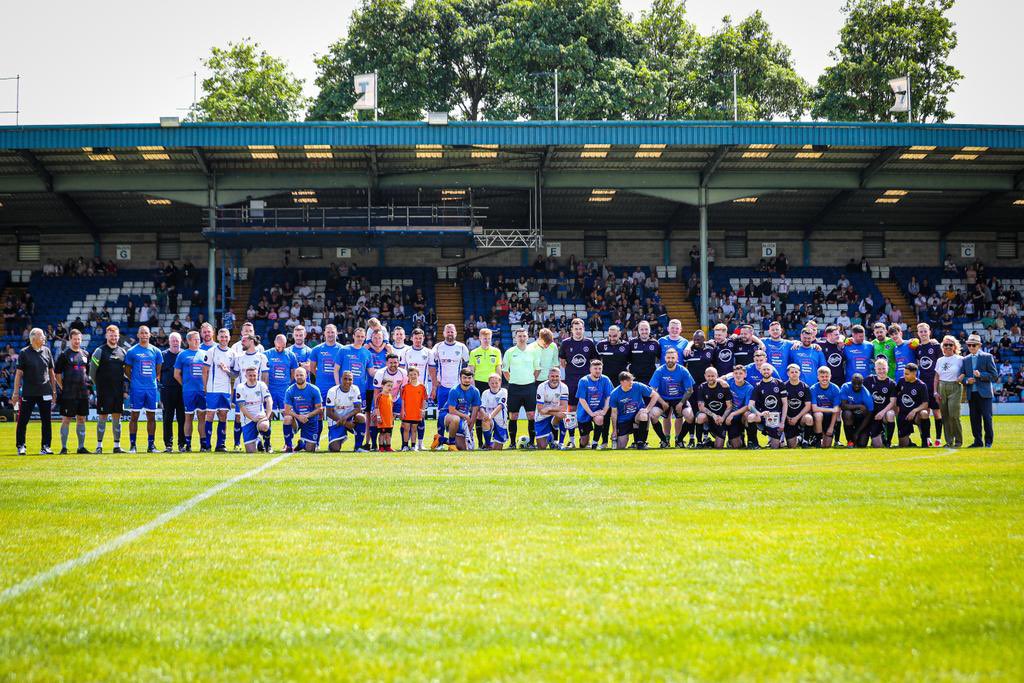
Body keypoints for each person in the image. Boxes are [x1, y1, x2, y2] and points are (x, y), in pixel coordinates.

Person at [14, 328, 57, 456]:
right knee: (23, 420)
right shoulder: (24, 353)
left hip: (45, 391)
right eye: (42, 336)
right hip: (29, 392)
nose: (44, 338)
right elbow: (18, 374)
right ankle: (21, 446)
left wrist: (54, 390)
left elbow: (51, 372)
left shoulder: (47, 351)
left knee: (46, 421)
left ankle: (46, 446)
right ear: (34, 338)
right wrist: (16, 392)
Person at [558, 318, 598, 448]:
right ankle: (572, 440)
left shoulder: (589, 343)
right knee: (572, 410)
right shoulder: (565, 344)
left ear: (583, 329)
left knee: (587, 409)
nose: (578, 331)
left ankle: (586, 438)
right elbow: (562, 363)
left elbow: (594, 362)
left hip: (587, 382)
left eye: (580, 328)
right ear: (572, 330)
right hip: (572, 382)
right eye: (576, 329)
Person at [430, 324, 470, 449]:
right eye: (448, 332)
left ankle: (454, 440)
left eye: (452, 332)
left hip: (458, 388)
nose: (450, 334)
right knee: (442, 413)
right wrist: (435, 383)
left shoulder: (462, 347)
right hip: (443, 387)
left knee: (458, 414)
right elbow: (432, 365)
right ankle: (439, 440)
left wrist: (465, 384)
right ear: (444, 333)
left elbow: (466, 367)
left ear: (456, 333)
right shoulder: (438, 347)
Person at [125, 325, 163, 453]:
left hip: (151, 388)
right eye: (142, 333)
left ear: (150, 335)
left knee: (151, 417)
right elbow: (127, 370)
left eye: (146, 333)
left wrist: (152, 379)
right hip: (137, 389)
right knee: (134, 416)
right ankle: (133, 445)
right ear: (138, 335)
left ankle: (151, 446)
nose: (144, 335)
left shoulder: (156, 351)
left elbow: (158, 369)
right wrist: (135, 380)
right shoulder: (132, 351)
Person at [90, 324, 127, 454]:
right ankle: (99, 446)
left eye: (116, 335)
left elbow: (126, 373)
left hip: (118, 392)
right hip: (104, 392)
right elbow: (92, 373)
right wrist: (99, 386)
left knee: (117, 418)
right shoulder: (99, 351)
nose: (114, 337)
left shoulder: (123, 352)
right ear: (106, 335)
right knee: (102, 418)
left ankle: (117, 446)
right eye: (111, 335)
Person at [54, 328, 91, 454]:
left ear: (81, 340)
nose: (77, 341)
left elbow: (89, 372)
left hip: (83, 393)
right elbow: (57, 373)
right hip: (69, 393)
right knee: (66, 419)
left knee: (81, 419)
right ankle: (64, 447)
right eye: (74, 339)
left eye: (79, 339)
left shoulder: (85, 354)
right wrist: (62, 387)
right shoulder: (64, 355)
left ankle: (81, 447)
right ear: (70, 340)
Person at [649, 348, 695, 448]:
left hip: (679, 398)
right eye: (668, 358)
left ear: (677, 359)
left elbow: (690, 390)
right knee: (653, 415)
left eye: (673, 358)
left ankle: (679, 439)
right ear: (665, 358)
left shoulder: (683, 371)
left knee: (690, 416)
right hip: (663, 398)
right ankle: (664, 440)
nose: (670, 360)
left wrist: (682, 403)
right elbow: (653, 390)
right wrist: (662, 402)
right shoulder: (659, 371)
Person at [174, 330, 209, 452]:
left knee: (202, 417)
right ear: (188, 340)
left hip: (202, 391)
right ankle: (188, 444)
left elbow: (208, 372)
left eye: (198, 339)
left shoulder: (205, 353)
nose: (197, 341)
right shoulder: (182, 355)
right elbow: (176, 374)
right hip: (188, 392)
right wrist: (185, 385)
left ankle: (203, 445)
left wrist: (206, 386)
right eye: (195, 339)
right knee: (188, 417)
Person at [265, 334, 299, 452]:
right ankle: (267, 444)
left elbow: (294, 372)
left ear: (286, 345)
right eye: (278, 346)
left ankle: (288, 443)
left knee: (288, 416)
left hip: (284, 391)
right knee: (268, 416)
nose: (280, 349)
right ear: (274, 343)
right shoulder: (267, 354)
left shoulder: (291, 355)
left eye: (283, 347)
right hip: (270, 391)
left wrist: (287, 384)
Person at [609, 370, 660, 450]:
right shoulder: (614, 394)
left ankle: (641, 442)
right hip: (623, 420)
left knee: (644, 415)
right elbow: (614, 413)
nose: (631, 383)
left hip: (637, 416)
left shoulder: (638, 386)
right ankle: (633, 442)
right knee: (620, 447)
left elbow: (655, 395)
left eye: (632, 380)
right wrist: (614, 430)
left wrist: (647, 409)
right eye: (629, 381)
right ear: (622, 382)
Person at [469, 328, 502, 446]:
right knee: (478, 414)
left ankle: (492, 440)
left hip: (492, 385)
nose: (487, 341)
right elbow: (471, 370)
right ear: (480, 338)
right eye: (484, 338)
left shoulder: (496, 351)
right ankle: (480, 442)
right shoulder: (473, 352)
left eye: (488, 339)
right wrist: (473, 388)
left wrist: (499, 384)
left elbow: (498, 368)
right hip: (478, 384)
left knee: (492, 411)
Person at [399, 328, 432, 449]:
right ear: (411, 338)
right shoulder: (406, 352)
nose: (418, 340)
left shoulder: (428, 352)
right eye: (416, 338)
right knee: (406, 420)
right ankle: (405, 445)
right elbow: (402, 371)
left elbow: (432, 371)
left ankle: (419, 443)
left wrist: (433, 388)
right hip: (408, 391)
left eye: (420, 338)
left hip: (422, 390)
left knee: (421, 417)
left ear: (423, 338)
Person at [203, 328, 235, 452]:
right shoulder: (211, 351)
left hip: (225, 390)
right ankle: (207, 445)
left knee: (223, 415)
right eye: (221, 336)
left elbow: (235, 374)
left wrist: (227, 370)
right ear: (217, 338)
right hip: (212, 389)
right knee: (210, 415)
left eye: (226, 336)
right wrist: (205, 387)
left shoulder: (232, 353)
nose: (224, 339)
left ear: (229, 338)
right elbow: (204, 371)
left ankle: (221, 444)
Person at [962, 334, 996, 447]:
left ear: (979, 345)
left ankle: (988, 442)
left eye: (974, 345)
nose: (971, 347)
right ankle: (978, 441)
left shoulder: (987, 357)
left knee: (987, 418)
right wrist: (967, 381)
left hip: (985, 394)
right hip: (972, 393)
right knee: (974, 419)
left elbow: (994, 375)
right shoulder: (965, 359)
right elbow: (962, 377)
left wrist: (981, 375)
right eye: (969, 345)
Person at [914, 322, 945, 447]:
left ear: (929, 332)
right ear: (918, 333)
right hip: (923, 384)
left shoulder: (936, 346)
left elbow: (942, 364)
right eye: (920, 331)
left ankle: (938, 438)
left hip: (935, 383)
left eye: (925, 331)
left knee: (937, 412)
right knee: (925, 412)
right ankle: (927, 438)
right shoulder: (918, 348)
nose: (923, 333)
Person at [575, 359, 614, 449]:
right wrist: (591, 413)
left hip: (598, 410)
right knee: (584, 442)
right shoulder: (584, 381)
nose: (598, 371)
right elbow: (582, 399)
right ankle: (583, 442)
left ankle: (594, 443)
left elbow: (609, 396)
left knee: (600, 419)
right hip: (584, 412)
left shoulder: (605, 379)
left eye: (600, 369)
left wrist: (604, 411)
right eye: (595, 368)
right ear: (590, 369)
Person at [934, 336, 965, 448]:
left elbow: (965, 371)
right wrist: (935, 392)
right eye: (945, 344)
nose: (948, 347)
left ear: (954, 346)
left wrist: (962, 376)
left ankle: (958, 441)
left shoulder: (960, 359)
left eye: (950, 345)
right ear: (942, 346)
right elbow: (936, 377)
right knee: (945, 416)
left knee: (954, 415)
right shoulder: (939, 360)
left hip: (955, 386)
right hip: (942, 387)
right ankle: (948, 441)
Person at [747, 363, 787, 449]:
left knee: (775, 446)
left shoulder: (779, 384)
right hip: (763, 417)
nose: (766, 371)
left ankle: (780, 439)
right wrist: (760, 414)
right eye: (764, 370)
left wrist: (782, 422)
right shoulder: (758, 386)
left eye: (768, 369)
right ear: (760, 371)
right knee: (750, 417)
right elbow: (750, 405)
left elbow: (785, 404)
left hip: (775, 418)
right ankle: (753, 443)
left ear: (772, 370)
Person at [284, 367, 324, 452]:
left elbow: (320, 409)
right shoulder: (290, 390)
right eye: (297, 375)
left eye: (301, 375)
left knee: (310, 450)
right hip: (297, 419)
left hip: (310, 420)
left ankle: (302, 444)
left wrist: (307, 415)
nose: (299, 377)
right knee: (287, 418)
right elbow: (287, 410)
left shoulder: (314, 389)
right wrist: (298, 417)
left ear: (306, 376)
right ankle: (288, 445)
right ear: (294, 377)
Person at [235, 366, 273, 453]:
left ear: (257, 375)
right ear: (246, 376)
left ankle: (267, 444)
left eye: (254, 375)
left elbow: (269, 400)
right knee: (251, 451)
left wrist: (267, 416)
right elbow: (242, 407)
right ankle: (258, 440)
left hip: (260, 417)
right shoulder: (240, 387)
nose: (252, 378)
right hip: (247, 420)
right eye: (250, 376)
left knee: (264, 426)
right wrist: (252, 418)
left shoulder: (261, 385)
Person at [325, 371, 366, 452]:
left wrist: (346, 417)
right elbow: (329, 412)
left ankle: (358, 447)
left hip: (349, 418)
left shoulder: (355, 389)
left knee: (361, 417)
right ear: (341, 379)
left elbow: (358, 408)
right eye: (345, 379)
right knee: (334, 449)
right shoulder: (332, 391)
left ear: (353, 380)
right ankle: (338, 439)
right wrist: (345, 423)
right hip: (335, 420)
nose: (347, 381)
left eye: (350, 379)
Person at [442, 368, 481, 451]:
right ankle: (452, 443)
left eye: (469, 378)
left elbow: (475, 410)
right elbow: (451, 410)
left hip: (463, 418)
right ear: (460, 378)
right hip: (448, 415)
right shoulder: (454, 390)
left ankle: (441, 439)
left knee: (464, 448)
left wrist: (471, 425)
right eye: (464, 378)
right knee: (456, 419)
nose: (467, 380)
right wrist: (466, 416)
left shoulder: (475, 391)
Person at [160, 332, 186, 452]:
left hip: (182, 390)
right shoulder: (163, 355)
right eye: (173, 341)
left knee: (182, 418)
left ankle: (182, 444)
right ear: (169, 342)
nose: (175, 343)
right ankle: (168, 445)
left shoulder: (184, 354)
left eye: (177, 341)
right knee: (167, 418)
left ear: (181, 341)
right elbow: (158, 372)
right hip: (167, 391)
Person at [895, 363, 931, 448]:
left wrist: (914, 411)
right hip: (903, 414)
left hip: (916, 415)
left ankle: (925, 440)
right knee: (903, 445)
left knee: (924, 413)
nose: (904, 376)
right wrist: (897, 410)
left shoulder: (921, 385)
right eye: (904, 373)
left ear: (914, 373)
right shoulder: (901, 381)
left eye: (907, 374)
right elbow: (895, 395)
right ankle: (910, 443)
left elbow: (925, 404)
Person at [863, 358, 897, 448]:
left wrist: (882, 413)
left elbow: (892, 402)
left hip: (884, 413)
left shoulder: (892, 383)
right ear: (875, 369)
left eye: (883, 368)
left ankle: (889, 441)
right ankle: (879, 434)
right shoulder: (868, 380)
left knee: (891, 414)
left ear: (887, 368)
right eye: (879, 369)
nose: (881, 371)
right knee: (877, 445)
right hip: (872, 414)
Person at [695, 367, 731, 449]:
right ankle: (699, 442)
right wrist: (714, 416)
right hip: (710, 417)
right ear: (705, 376)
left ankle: (709, 443)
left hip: (721, 418)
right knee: (700, 417)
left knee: (718, 446)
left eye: (713, 376)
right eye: (708, 376)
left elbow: (729, 406)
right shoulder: (702, 387)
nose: (710, 378)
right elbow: (701, 407)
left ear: (717, 376)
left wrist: (723, 417)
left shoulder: (724, 386)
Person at [534, 367, 569, 450]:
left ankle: (560, 443)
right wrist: (556, 411)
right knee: (541, 447)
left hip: (553, 414)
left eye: (557, 376)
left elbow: (564, 407)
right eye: (552, 376)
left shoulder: (564, 387)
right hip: (541, 417)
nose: (555, 378)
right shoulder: (541, 387)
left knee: (563, 415)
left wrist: (549, 407)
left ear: (560, 377)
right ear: (548, 377)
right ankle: (550, 437)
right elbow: (540, 410)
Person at [781, 364, 814, 448]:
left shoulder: (805, 387)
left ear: (799, 373)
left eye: (796, 372)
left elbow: (808, 406)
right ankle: (798, 438)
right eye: (792, 372)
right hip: (788, 419)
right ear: (788, 373)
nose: (794, 374)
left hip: (800, 417)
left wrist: (797, 418)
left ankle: (805, 440)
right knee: (792, 446)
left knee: (809, 418)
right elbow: (781, 405)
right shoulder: (783, 387)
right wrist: (787, 417)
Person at [839, 373, 874, 447]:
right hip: (851, 418)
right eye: (854, 383)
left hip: (862, 421)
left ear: (862, 383)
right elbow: (843, 406)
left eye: (859, 384)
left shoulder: (866, 395)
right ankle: (850, 441)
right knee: (847, 414)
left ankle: (857, 435)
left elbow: (869, 415)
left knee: (862, 445)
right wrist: (859, 406)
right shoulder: (845, 387)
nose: (857, 386)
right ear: (851, 382)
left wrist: (857, 432)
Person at [810, 367, 842, 448]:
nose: (824, 379)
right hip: (818, 419)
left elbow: (836, 410)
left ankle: (835, 439)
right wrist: (831, 409)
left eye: (826, 376)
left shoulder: (835, 389)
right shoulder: (813, 388)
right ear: (818, 377)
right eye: (822, 376)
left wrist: (831, 428)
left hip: (830, 418)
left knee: (827, 445)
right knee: (818, 415)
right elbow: (814, 408)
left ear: (830, 376)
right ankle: (817, 438)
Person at [724, 365, 753, 449]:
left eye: (741, 373)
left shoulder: (749, 387)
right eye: (736, 373)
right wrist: (721, 380)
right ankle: (732, 439)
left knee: (747, 414)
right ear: (733, 374)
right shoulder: (729, 382)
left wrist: (733, 414)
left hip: (740, 416)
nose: (738, 375)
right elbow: (716, 380)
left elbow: (747, 406)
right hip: (729, 417)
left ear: (745, 375)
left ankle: (751, 441)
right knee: (736, 446)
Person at [399, 367, 427, 451]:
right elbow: (403, 400)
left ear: (418, 375)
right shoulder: (405, 387)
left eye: (415, 374)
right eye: (411, 375)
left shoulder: (422, 387)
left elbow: (424, 400)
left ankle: (414, 446)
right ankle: (405, 445)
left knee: (414, 429)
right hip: (407, 412)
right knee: (406, 428)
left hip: (416, 412)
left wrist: (422, 410)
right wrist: (403, 410)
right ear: (408, 376)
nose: (413, 376)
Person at [479, 373, 510, 450]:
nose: (494, 385)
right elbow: (482, 407)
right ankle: (487, 444)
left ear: (500, 383)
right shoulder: (485, 393)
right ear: (488, 383)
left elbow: (500, 406)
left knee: (497, 449)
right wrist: (485, 415)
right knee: (485, 421)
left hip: (501, 422)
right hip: (490, 419)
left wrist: (490, 416)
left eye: (496, 383)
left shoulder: (503, 391)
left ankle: (491, 444)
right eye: (492, 383)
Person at [628, 321, 660, 385]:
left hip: (650, 377)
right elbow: (627, 359)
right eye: (641, 329)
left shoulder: (655, 343)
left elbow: (660, 358)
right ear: (638, 330)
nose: (644, 331)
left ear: (650, 330)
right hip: (635, 377)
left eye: (646, 329)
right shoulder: (632, 343)